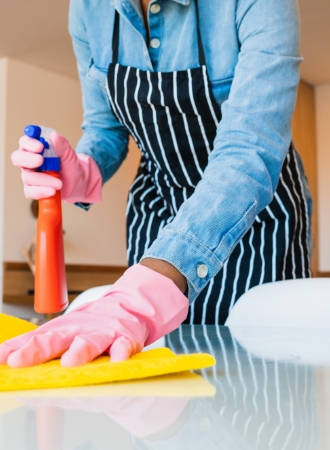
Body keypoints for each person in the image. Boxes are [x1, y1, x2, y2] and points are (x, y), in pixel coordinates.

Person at [0, 0, 311, 368]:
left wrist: (141, 297)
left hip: (257, 221)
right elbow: (106, 129)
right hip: (159, 212)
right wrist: (79, 173)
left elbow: (249, 149)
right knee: (156, 388)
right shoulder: (88, 9)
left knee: (256, 381)